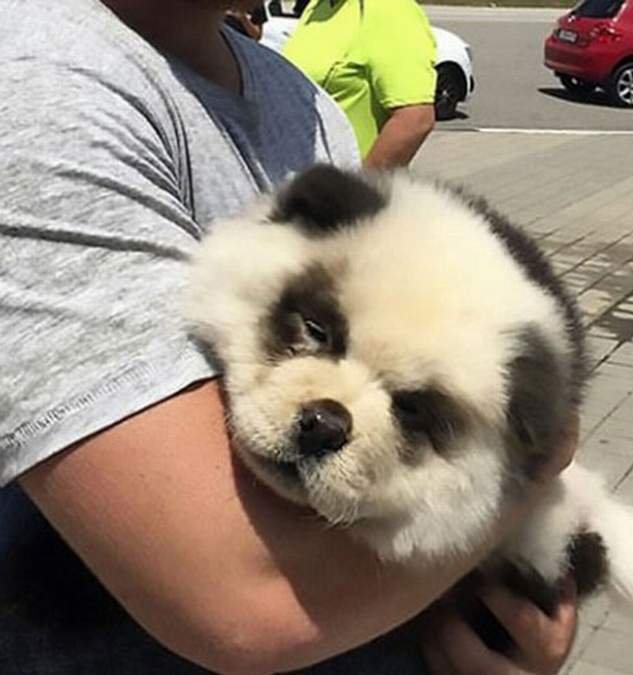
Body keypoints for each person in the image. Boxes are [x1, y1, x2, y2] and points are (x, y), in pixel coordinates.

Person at [0, 0, 578, 673]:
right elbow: (245, 601)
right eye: (310, 332)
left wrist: (497, 622)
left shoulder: (296, 100)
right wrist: (536, 466)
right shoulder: (39, 79)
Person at [282, 0, 437, 169]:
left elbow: (416, 119)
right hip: (297, 179)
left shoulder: (391, 8)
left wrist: (359, 188)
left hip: (341, 186)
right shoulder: (318, 7)